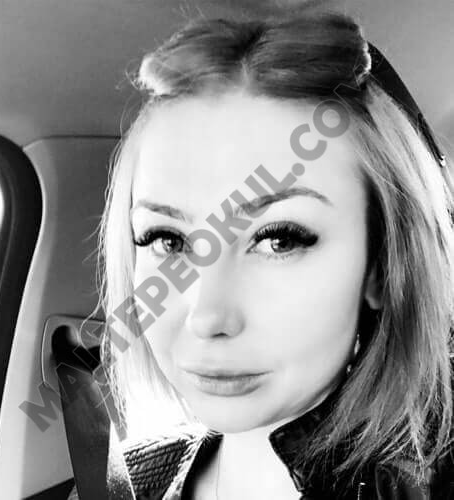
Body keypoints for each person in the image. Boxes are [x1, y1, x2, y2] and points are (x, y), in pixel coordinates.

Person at [68, 8, 454, 500]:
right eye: (168, 240)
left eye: (279, 239)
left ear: (381, 266)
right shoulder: (121, 483)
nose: (207, 316)